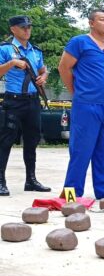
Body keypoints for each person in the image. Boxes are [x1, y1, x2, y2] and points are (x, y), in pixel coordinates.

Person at [57, 9, 104, 199]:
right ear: (91, 23)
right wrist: (75, 92)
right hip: (86, 105)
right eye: (102, 19)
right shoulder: (79, 42)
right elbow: (64, 67)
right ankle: (70, 194)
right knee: (81, 151)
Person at [0, 15, 51, 196]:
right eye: (23, 27)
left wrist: (43, 77)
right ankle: (0, 181)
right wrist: (12, 63)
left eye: (29, 27)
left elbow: (42, 69)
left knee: (32, 140)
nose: (27, 30)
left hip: (32, 100)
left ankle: (31, 180)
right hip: (14, 100)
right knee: (5, 141)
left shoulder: (35, 51)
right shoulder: (5, 49)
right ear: (13, 29)